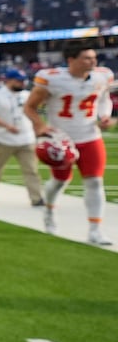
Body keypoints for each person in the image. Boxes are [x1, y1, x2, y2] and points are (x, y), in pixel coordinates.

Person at [24, 41, 113, 245]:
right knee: (60, 181)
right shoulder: (52, 79)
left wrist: (105, 115)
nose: (93, 61)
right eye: (87, 58)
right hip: (61, 138)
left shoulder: (102, 75)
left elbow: (103, 98)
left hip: (90, 135)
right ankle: (49, 211)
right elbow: (30, 107)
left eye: (93, 57)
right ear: (71, 60)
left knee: (94, 181)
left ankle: (95, 229)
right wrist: (41, 126)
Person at [0, 68, 45, 208]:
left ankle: (36, 198)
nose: (22, 83)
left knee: (31, 170)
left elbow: (34, 112)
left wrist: (37, 128)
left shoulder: (27, 95)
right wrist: (7, 126)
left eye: (22, 81)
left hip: (26, 138)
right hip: (4, 138)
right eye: (18, 81)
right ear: (8, 81)